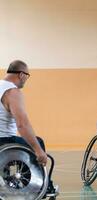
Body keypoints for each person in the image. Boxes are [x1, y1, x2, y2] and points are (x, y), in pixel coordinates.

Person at [0, 60, 57, 196]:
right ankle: (43, 188)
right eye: (27, 76)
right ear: (21, 74)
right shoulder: (12, 92)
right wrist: (38, 151)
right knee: (38, 142)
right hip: (4, 141)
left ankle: (10, 179)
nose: (26, 80)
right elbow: (22, 124)